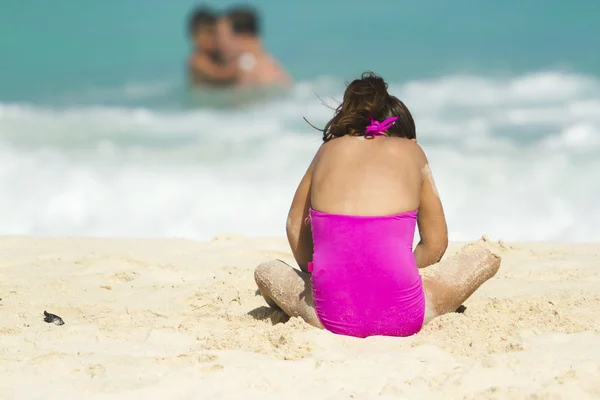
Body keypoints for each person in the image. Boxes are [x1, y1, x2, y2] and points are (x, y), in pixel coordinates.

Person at [253, 72, 501, 338]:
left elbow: (294, 226)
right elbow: (436, 243)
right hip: (405, 315)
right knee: (486, 257)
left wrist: (317, 274)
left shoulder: (326, 151)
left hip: (328, 316)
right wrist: (394, 276)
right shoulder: (413, 152)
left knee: (266, 271)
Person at [218, 6, 292, 88]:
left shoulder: (263, 71)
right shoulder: (251, 66)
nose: (219, 43)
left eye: (222, 36)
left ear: (243, 36)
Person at [187, 6, 237, 87]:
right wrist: (240, 67)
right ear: (194, 37)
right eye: (207, 33)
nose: (212, 38)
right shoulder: (197, 60)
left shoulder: (216, 56)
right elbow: (218, 75)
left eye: (214, 33)